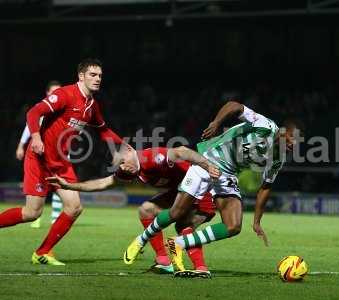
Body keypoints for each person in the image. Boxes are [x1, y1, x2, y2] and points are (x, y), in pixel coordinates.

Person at [122, 101, 298, 272]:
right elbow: (234, 106)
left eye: (297, 141)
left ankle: (178, 243)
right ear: (283, 132)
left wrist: (257, 222)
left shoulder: (278, 158)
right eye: (292, 138)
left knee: (233, 226)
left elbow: (266, 187)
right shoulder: (264, 125)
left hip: (227, 174)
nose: (293, 144)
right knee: (177, 213)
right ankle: (141, 239)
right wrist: (216, 123)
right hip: (208, 160)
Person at [0, 58, 124, 266]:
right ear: (81, 76)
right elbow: (33, 112)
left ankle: (43, 252)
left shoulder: (91, 105)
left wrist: (126, 147)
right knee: (32, 213)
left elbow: (103, 130)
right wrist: (37, 138)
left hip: (61, 162)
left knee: (74, 207)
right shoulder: (64, 94)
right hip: (40, 160)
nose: (98, 79)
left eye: (100, 75)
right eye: (93, 75)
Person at [47, 144, 220, 278]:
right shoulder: (128, 170)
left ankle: (201, 268)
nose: (123, 167)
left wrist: (208, 165)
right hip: (180, 191)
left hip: (202, 186)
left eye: (123, 161)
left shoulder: (151, 157)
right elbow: (102, 183)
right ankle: (164, 261)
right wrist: (69, 186)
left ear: (129, 149)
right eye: (119, 166)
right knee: (146, 210)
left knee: (184, 225)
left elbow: (182, 151)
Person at [16, 80, 63, 229]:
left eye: (59, 91)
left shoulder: (63, 109)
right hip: (39, 154)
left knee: (59, 185)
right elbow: (29, 127)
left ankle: (55, 218)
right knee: (38, 188)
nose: (56, 94)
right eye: (53, 91)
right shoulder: (43, 108)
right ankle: (35, 216)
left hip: (58, 155)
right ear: (47, 93)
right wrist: (21, 145)